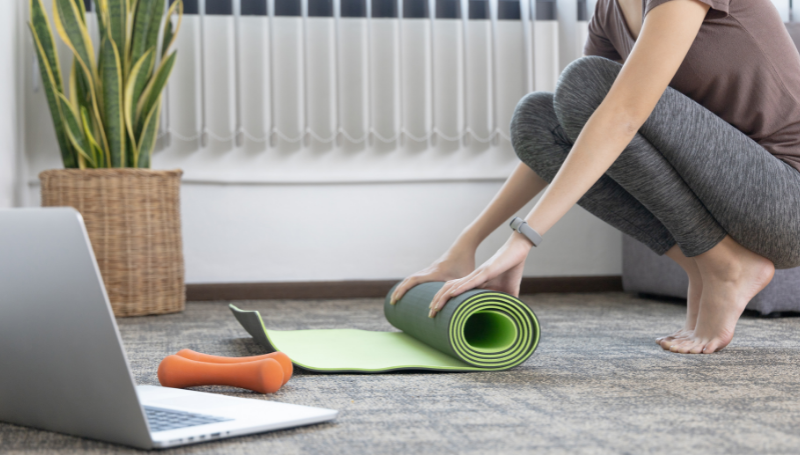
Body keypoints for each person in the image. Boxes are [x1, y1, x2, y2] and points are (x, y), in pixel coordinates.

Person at [390, 0, 800, 354]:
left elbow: (618, 114)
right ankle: (712, 260)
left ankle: (726, 268)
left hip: (787, 199)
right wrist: (468, 244)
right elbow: (573, 133)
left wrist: (525, 237)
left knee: (586, 84)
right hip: (734, 197)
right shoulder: (610, 12)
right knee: (540, 118)